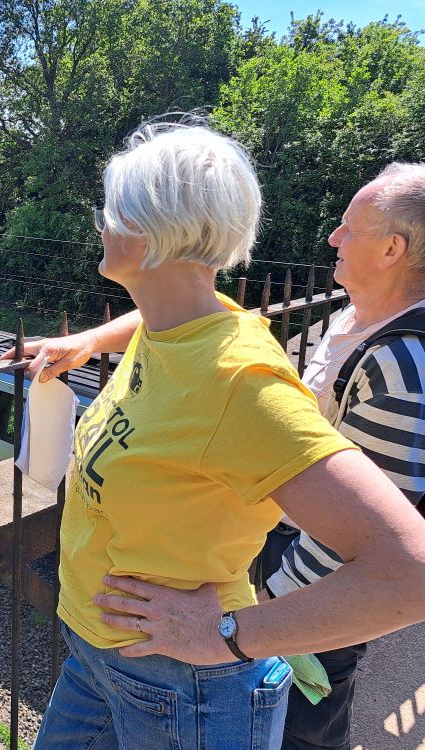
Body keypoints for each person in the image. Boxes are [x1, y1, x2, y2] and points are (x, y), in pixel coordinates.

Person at [2, 124, 425, 749]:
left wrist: (226, 633)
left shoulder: (239, 385)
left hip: (182, 686)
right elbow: (165, 325)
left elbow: (410, 572)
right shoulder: (179, 320)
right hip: (96, 655)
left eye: (109, 211)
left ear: (149, 234)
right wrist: (89, 341)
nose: (99, 224)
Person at [249, 163, 425, 750]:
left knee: (303, 729)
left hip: (317, 579)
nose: (332, 239)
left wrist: (274, 597)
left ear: (392, 249)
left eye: (349, 228)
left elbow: (366, 526)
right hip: (290, 548)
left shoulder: (402, 370)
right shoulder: (352, 319)